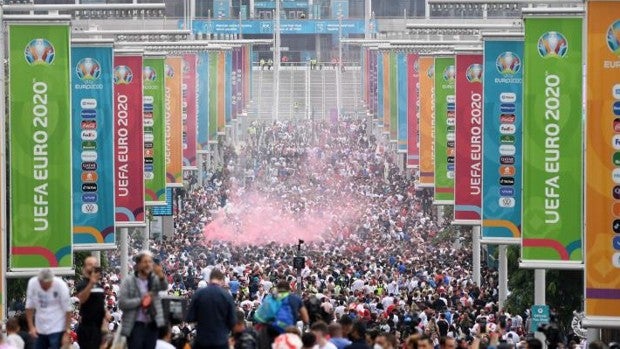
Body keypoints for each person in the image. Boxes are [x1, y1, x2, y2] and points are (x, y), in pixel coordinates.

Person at [119, 251, 169, 349]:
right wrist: (142, 300)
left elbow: (164, 287)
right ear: (137, 264)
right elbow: (122, 303)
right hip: (135, 325)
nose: (148, 265)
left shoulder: (154, 279)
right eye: (145, 262)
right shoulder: (129, 281)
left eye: (150, 262)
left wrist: (161, 275)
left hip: (152, 324)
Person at [186, 268, 236, 349]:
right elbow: (232, 322)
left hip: (202, 341)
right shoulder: (227, 296)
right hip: (221, 342)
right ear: (222, 280)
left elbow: (190, 318)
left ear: (209, 279)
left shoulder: (199, 294)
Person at [25, 268, 72, 349]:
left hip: (57, 327)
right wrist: (31, 327)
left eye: (49, 284)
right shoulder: (33, 283)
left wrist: (67, 331)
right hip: (40, 328)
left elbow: (68, 310)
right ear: (39, 281)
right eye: (43, 284)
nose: (46, 287)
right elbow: (29, 307)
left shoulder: (60, 285)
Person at [75, 255, 107, 349]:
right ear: (85, 268)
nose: (93, 267)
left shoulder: (99, 286)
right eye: (90, 265)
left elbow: (100, 305)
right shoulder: (82, 284)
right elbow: (82, 299)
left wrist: (106, 315)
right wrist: (91, 283)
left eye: (95, 264)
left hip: (98, 328)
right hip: (87, 327)